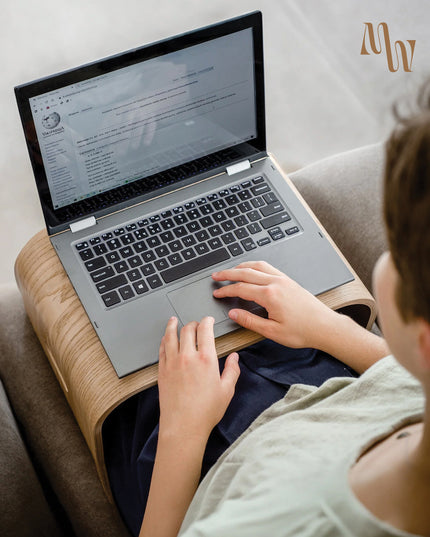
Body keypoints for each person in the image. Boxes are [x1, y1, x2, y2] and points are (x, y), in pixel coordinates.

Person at [107, 85, 430, 537]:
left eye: (394, 251)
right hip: (320, 388)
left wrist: (182, 430)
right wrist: (326, 325)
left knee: (135, 364)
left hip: (195, 463)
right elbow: (405, 383)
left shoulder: (268, 525)